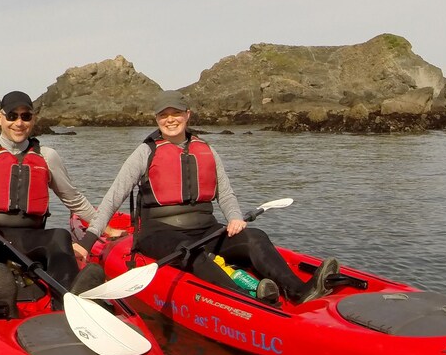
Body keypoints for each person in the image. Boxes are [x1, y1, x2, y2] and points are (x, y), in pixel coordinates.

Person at [74, 90, 338, 305]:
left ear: (187, 115)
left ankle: (298, 290)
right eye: (163, 115)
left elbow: (225, 193)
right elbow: (112, 198)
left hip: (206, 230)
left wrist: (234, 218)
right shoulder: (145, 153)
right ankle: (245, 298)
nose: (170, 120)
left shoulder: (206, 149)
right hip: (159, 233)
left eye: (175, 113)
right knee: (192, 253)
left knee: (255, 237)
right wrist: (87, 241)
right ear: (156, 119)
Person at [0, 91, 104, 313]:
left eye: (25, 116)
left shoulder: (48, 156)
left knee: (60, 235)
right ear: (0, 118)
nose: (19, 123)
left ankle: (70, 299)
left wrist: (105, 225)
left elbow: (73, 199)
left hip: (31, 240)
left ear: (33, 119)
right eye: (12, 116)